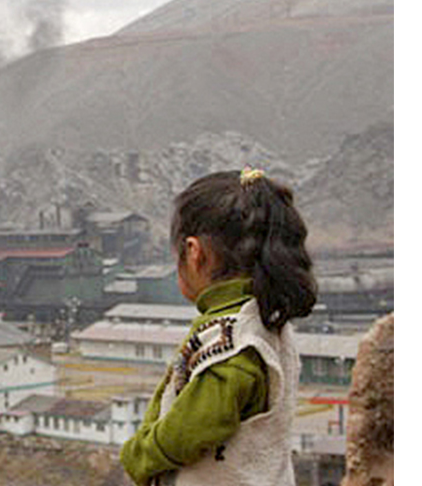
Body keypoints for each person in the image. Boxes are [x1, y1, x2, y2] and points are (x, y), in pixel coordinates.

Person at [120, 168, 317, 486]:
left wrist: (139, 455)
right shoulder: (267, 322)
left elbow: (190, 429)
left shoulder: (233, 346)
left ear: (194, 253)